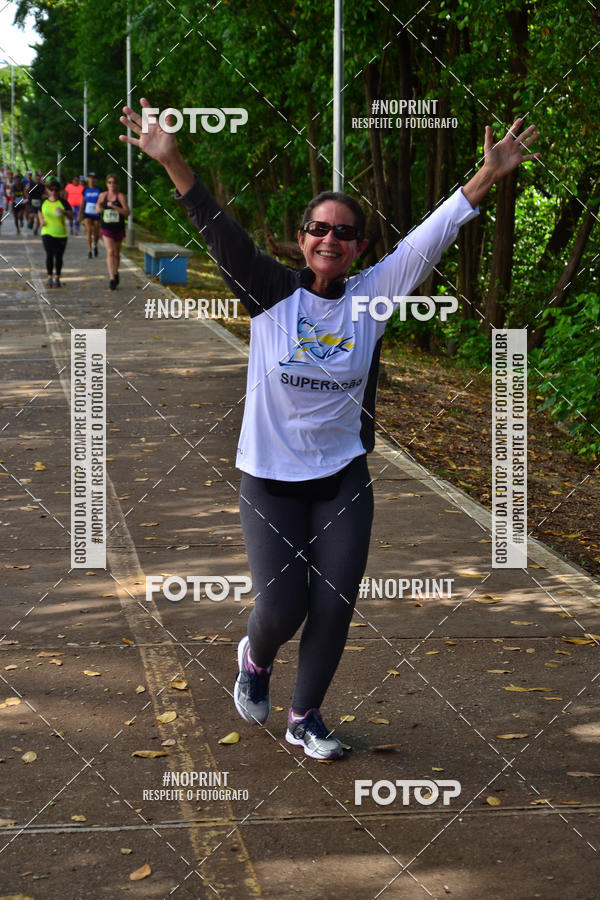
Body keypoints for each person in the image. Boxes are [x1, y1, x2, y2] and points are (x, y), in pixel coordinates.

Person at [120, 99, 539, 761]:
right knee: (283, 608)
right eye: (319, 228)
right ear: (301, 236)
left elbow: (430, 237)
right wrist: (171, 158)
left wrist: (485, 179)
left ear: (359, 248)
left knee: (336, 601)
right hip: (270, 481)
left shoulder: (372, 296)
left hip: (342, 477)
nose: (329, 240)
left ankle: (305, 717)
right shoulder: (268, 290)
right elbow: (216, 227)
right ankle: (255, 659)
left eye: (344, 233)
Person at [96, 173, 130, 289]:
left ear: (117, 184)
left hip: (118, 228)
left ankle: (116, 272)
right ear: (106, 184)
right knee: (110, 251)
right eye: (109, 182)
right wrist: (97, 209)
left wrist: (115, 207)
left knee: (116, 253)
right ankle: (111, 278)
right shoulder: (103, 196)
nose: (112, 184)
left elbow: (127, 212)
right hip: (106, 228)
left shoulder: (120, 197)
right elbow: (98, 205)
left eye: (114, 182)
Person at [39, 179, 72, 287]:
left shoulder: (63, 202)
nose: (53, 192)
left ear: (59, 191)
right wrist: (41, 220)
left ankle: (57, 277)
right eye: (51, 189)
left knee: (59, 256)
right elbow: (39, 211)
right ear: (48, 190)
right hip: (47, 232)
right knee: (49, 254)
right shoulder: (44, 201)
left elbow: (71, 217)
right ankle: (49, 277)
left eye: (56, 190)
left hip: (61, 234)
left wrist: (64, 212)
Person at [80, 172, 101, 258]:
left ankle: (95, 245)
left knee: (96, 232)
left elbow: (102, 201)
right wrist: (80, 214)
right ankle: (89, 250)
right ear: (88, 179)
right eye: (90, 178)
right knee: (88, 231)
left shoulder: (99, 189)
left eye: (93, 178)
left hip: (96, 213)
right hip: (87, 212)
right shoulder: (85, 190)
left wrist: (100, 208)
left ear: (95, 180)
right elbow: (83, 202)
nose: (91, 180)